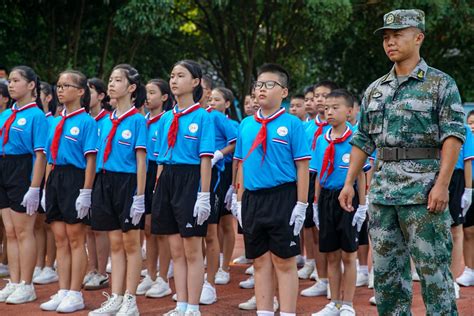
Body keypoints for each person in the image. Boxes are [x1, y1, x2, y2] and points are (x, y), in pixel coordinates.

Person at [339, 9, 465, 315]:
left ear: (418, 37)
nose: (390, 42)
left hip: (424, 193)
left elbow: (453, 135)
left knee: (434, 273)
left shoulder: (440, 83)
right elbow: (362, 139)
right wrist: (348, 183)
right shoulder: (375, 89)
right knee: (386, 277)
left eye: (397, 35)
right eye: (386, 37)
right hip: (383, 194)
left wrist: (442, 185)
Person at [234, 63, 310, 316]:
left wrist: (301, 204)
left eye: (270, 84)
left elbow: (302, 167)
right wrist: (239, 199)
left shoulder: (292, 124)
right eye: (258, 85)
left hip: (283, 197)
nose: (262, 89)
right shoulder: (245, 124)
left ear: (284, 92)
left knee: (284, 261)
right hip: (254, 199)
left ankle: (287, 312)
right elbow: (243, 163)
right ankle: (264, 311)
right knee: (260, 261)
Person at [152, 60, 214, 316]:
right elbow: (160, 158)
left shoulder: (203, 116)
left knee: (192, 249)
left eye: (180, 75)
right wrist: (158, 187)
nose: (174, 80)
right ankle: (180, 305)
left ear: (196, 82)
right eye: (172, 75)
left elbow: (206, 159)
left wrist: (203, 195)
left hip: (191, 179)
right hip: (168, 177)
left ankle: (193, 307)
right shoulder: (166, 117)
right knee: (175, 249)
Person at [88, 64, 147, 316]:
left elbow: (142, 161)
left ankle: (131, 300)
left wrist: (140, 196)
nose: (111, 84)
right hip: (105, 181)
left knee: (131, 243)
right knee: (115, 244)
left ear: (131, 88)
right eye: (110, 80)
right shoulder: (105, 120)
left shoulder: (137, 121)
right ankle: (116, 296)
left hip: (128, 183)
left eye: (117, 80)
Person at [39, 70, 97, 313]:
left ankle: (75, 293)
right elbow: (46, 157)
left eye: (66, 85)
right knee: (60, 238)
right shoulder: (53, 121)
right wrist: (43, 188)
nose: (60, 90)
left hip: (76, 177)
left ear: (81, 91)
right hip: (56, 177)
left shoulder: (87, 122)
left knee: (75, 238)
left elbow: (91, 160)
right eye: (58, 85)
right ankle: (63, 289)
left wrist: (86, 191)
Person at [310, 89, 368, 315]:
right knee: (331, 254)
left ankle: (348, 304)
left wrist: (363, 205)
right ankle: (333, 302)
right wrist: (315, 205)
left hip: (349, 199)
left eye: (335, 108)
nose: (329, 112)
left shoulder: (356, 139)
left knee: (348, 254)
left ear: (350, 111)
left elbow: (362, 174)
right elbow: (316, 174)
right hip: (326, 198)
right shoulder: (321, 139)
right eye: (326, 108)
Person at [0, 66, 48, 304]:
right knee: (10, 232)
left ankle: (27, 285)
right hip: (3, 168)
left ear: (31, 85)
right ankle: (15, 281)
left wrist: (35, 187)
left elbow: (41, 154)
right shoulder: (7, 114)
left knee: (23, 231)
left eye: (16, 80)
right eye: (9, 81)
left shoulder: (36, 116)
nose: (11, 84)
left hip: (22, 171)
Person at [300, 80, 338, 298]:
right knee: (313, 229)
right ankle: (319, 274)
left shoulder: (341, 128)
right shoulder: (306, 128)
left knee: (329, 233)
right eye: (317, 96)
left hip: (332, 180)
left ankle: (334, 278)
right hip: (310, 177)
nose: (320, 100)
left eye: (325, 95)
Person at [136, 78, 173, 299]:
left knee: (161, 229)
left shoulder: (166, 120)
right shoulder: (141, 121)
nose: (148, 97)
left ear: (164, 97)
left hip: (159, 170)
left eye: (152, 93)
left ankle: (163, 277)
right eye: (146, 93)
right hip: (143, 171)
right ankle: (150, 274)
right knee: (147, 228)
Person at [83, 77, 111, 291]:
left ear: (101, 96)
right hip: (81, 176)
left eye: (90, 92)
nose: (85, 96)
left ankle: (101, 271)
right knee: (87, 228)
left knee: (99, 228)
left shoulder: (108, 121)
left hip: (101, 177)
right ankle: (91, 268)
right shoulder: (83, 119)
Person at [32, 81, 59, 286]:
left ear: (49, 98)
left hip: (48, 174)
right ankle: (40, 264)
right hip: (32, 174)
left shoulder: (53, 121)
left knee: (49, 224)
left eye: (39, 93)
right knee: (36, 225)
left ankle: (50, 265)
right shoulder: (36, 118)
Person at [448, 123, 473, 299]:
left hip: (455, 178)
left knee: (456, 230)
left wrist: (468, 190)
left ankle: (452, 280)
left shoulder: (463, 128)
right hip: (431, 174)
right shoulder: (431, 123)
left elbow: (467, 160)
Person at [457, 110, 474, 287]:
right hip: (467, 187)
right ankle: (470, 269)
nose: (472, 125)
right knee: (468, 231)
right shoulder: (465, 139)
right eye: (470, 122)